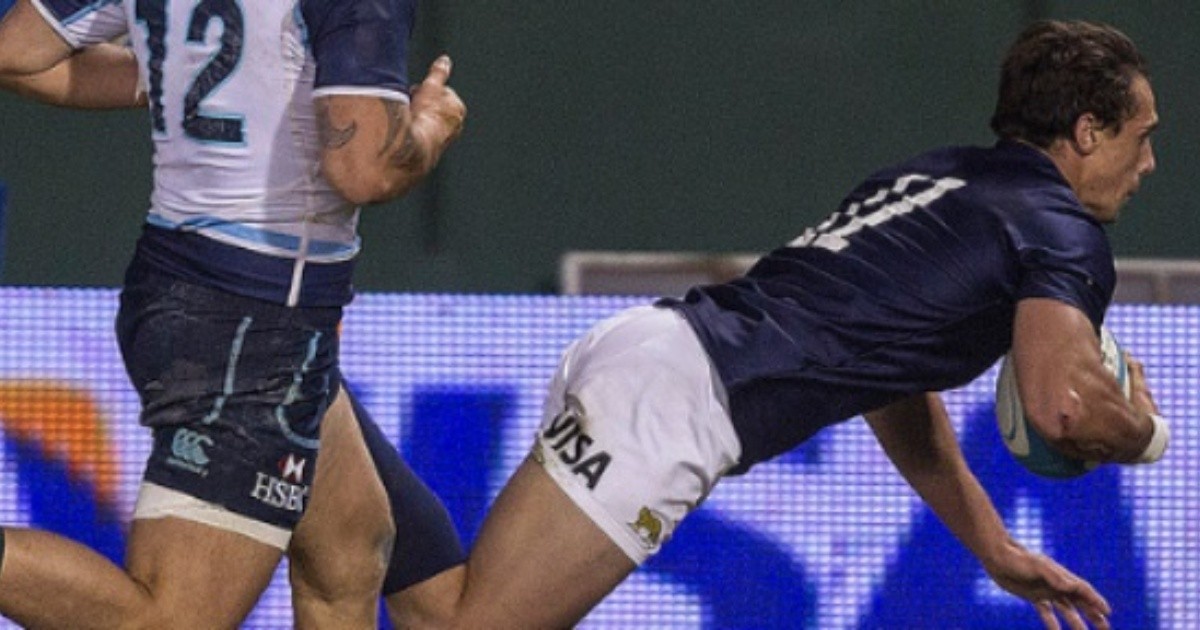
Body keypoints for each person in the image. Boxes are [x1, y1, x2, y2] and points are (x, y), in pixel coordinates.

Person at [411, 19, 1166, 630]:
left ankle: (357, 496)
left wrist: (992, 546)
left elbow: (889, 386)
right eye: (1142, 136)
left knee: (438, 613)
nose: (1151, 163)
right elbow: (1063, 409)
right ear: (1088, 131)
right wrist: (1142, 433)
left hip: (648, 353)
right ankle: (345, 466)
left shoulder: (936, 176)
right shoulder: (1063, 231)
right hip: (676, 408)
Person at [0, 0, 467, 627]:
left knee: (349, 547)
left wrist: (171, 73)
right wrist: (430, 127)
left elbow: (15, 53)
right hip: (256, 320)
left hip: (182, 288)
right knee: (170, 620)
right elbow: (362, 171)